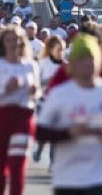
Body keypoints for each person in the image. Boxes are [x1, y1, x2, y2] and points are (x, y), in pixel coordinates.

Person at [36, 34, 102, 195]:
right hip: (66, 178)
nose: (87, 63)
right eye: (81, 59)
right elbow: (40, 131)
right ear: (71, 64)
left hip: (99, 177)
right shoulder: (59, 94)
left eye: (91, 58)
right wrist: (68, 133)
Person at [0, 23, 39, 195]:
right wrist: (4, 90)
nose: (14, 44)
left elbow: (38, 92)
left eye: (17, 40)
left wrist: (35, 91)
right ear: (3, 43)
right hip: (0, 116)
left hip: (23, 117)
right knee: (2, 163)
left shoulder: (30, 66)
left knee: (18, 165)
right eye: (10, 40)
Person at [34, 35, 65, 163]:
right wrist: (49, 81)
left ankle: (53, 161)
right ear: (51, 49)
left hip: (61, 103)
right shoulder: (43, 63)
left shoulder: (66, 65)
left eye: (62, 50)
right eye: (58, 49)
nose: (61, 53)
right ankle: (40, 149)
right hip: (44, 102)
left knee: (56, 133)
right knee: (46, 131)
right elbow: (36, 82)